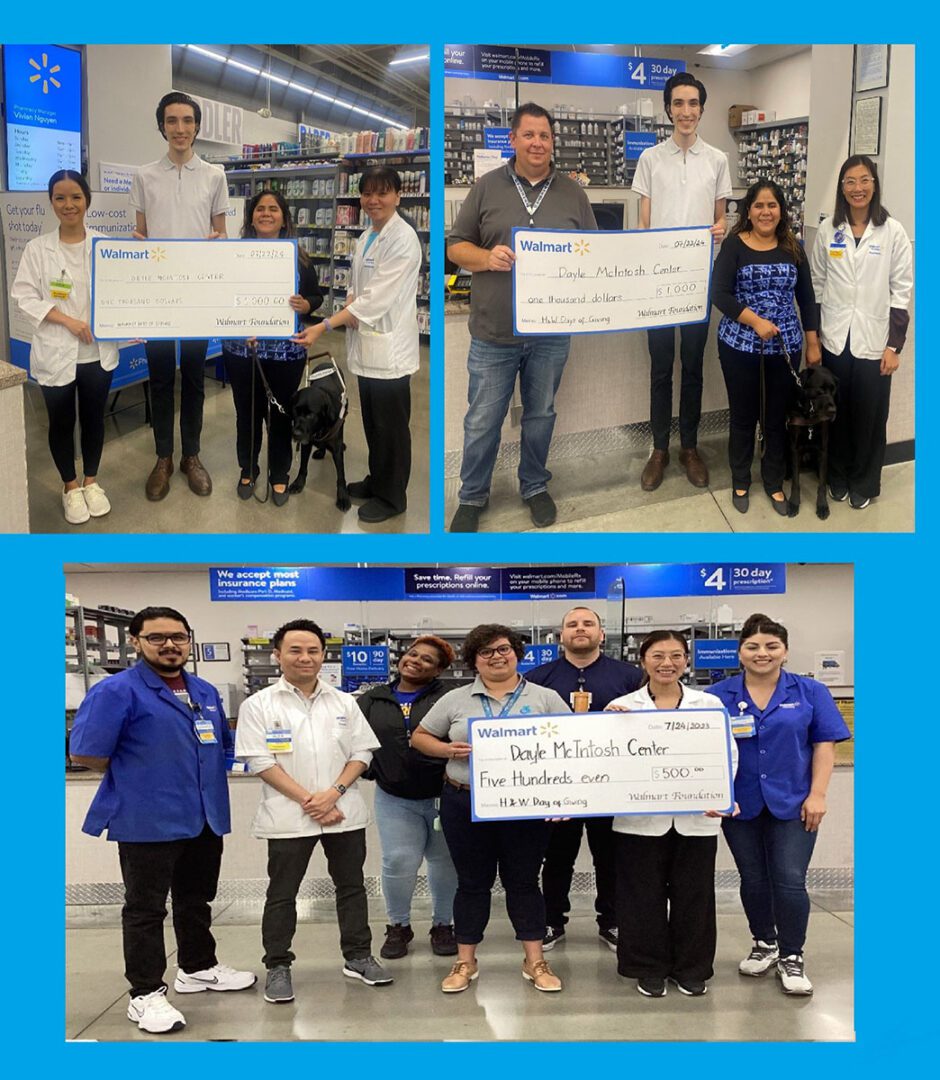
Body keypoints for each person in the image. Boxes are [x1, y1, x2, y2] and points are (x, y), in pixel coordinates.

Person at [68, 606, 256, 1035]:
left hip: (205, 817)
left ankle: (197, 967)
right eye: (157, 637)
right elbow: (85, 753)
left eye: (178, 636)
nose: (170, 644)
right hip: (147, 819)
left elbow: (219, 746)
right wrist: (143, 780)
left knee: (196, 899)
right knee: (145, 908)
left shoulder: (204, 690)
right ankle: (146, 993)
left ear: (189, 640)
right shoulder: (116, 691)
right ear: (136, 641)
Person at [446, 103, 598, 532]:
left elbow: (594, 256)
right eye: (529, 135)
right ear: (511, 140)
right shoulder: (486, 187)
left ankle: (534, 485)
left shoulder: (572, 193)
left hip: (551, 333)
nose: (537, 143)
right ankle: (472, 495)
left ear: (553, 142)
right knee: (482, 420)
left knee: (541, 415)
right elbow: (455, 246)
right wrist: (485, 258)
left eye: (545, 136)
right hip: (494, 333)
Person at [234, 618, 391, 1004]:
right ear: (277, 655)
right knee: (282, 893)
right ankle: (277, 965)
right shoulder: (258, 704)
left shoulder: (344, 702)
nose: (305, 657)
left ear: (323, 655)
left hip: (344, 813)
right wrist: (313, 800)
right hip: (289, 816)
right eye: (295, 650)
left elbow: (362, 753)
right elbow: (259, 761)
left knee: (351, 887)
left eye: (313, 651)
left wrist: (333, 794)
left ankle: (357, 957)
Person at [411, 624, 569, 994]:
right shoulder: (456, 699)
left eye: (503, 649)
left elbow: (574, 744)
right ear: (474, 660)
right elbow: (420, 736)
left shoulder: (545, 698)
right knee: (471, 884)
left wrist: (565, 796)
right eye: (486, 652)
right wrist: (448, 750)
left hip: (526, 805)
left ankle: (535, 961)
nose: (496, 657)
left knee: (524, 883)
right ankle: (466, 961)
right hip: (464, 801)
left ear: (516, 652)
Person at [711, 613, 851, 995]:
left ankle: (792, 955)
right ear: (739, 652)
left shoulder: (810, 692)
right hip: (739, 806)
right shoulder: (718, 696)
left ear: (785, 651)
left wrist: (818, 794)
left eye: (772, 646)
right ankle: (764, 943)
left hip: (794, 803)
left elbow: (824, 744)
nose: (762, 653)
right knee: (753, 879)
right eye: (753, 646)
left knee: (789, 880)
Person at [605, 631, 737, 998]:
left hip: (697, 819)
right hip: (638, 823)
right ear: (643, 660)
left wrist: (722, 795)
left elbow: (727, 754)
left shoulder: (708, 704)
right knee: (640, 897)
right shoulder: (622, 707)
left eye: (676, 655)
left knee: (694, 896)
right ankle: (648, 967)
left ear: (686, 660)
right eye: (658, 655)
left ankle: (692, 968)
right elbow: (605, 762)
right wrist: (605, 727)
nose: (667, 663)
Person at [294, 166, 420, 523]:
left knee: (392, 429)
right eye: (367, 193)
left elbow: (375, 300)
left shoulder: (403, 239)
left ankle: (393, 497)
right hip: (366, 350)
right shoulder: (367, 236)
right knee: (373, 425)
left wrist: (325, 325)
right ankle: (377, 480)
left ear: (398, 195)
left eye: (382, 192)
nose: (373, 200)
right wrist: (348, 305)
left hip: (390, 353)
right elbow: (356, 289)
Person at [633, 73, 732, 492]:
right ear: (668, 108)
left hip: (697, 280)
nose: (686, 111)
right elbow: (643, 222)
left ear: (702, 109)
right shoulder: (651, 159)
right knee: (660, 368)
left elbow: (720, 217)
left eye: (693, 103)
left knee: (693, 368)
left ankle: (689, 447)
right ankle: (659, 449)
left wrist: (722, 227)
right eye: (679, 103)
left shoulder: (718, 159)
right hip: (659, 281)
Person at [130, 91, 229, 501]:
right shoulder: (144, 176)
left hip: (197, 295)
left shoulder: (215, 175)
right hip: (157, 295)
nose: (180, 128)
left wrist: (216, 246)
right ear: (161, 126)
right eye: (172, 121)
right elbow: (140, 236)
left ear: (197, 126)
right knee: (158, 380)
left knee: (192, 378)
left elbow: (220, 235)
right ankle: (163, 457)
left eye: (187, 121)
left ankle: (191, 456)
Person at [526, 607, 641, 951]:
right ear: (560, 635)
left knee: (612, 856)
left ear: (601, 634)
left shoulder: (630, 676)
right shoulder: (536, 678)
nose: (580, 629)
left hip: (612, 784)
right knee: (557, 856)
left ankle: (613, 921)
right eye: (572, 624)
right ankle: (551, 920)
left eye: (588, 624)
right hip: (559, 785)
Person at [11, 170, 119, 524]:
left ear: (87, 200)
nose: (68, 204)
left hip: (97, 354)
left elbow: (124, 291)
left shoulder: (105, 246)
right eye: (60, 197)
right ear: (51, 202)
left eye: (75, 196)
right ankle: (70, 487)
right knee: (60, 422)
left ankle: (91, 481)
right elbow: (23, 295)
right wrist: (67, 320)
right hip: (56, 352)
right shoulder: (37, 248)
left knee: (93, 420)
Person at [711, 179, 821, 516]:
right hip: (739, 346)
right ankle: (740, 479)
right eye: (758, 205)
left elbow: (806, 298)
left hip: (785, 349)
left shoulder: (793, 246)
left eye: (772, 205)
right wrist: (755, 321)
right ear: (748, 210)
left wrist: (812, 342)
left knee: (775, 420)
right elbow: (720, 294)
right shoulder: (734, 246)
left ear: (781, 211)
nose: (765, 212)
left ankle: (773, 482)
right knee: (743, 418)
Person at [809, 155, 913, 509]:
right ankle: (836, 476)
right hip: (836, 338)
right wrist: (816, 338)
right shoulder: (828, 230)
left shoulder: (893, 231)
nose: (858, 188)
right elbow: (817, 285)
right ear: (842, 187)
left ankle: (864, 482)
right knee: (835, 412)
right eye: (850, 181)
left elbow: (901, 291)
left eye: (864, 180)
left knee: (870, 415)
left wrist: (894, 346)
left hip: (874, 340)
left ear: (874, 184)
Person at [357, 636, 459, 959]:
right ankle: (398, 925)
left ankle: (443, 924)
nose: (416, 661)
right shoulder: (373, 699)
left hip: (443, 796)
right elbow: (354, 741)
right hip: (395, 797)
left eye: (428, 659)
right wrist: (372, 772)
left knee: (444, 864)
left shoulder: (451, 698)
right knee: (399, 861)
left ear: (439, 670)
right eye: (413, 654)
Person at [223, 190, 324, 506]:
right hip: (243, 351)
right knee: (247, 414)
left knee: (281, 416)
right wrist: (239, 322)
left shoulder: (299, 258)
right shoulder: (233, 256)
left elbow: (316, 297)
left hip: (285, 353)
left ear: (284, 218)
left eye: (273, 209)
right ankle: (248, 469)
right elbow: (221, 297)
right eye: (260, 209)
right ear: (250, 217)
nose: (266, 214)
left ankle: (279, 474)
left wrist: (306, 304)